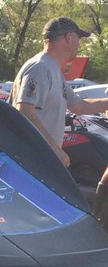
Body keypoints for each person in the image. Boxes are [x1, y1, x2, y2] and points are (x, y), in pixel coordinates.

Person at [10, 17, 108, 166]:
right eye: (78, 38)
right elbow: (24, 111)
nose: (79, 44)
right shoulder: (40, 68)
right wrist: (55, 150)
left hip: (41, 157)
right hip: (31, 159)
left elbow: (79, 106)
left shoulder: (53, 69)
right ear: (69, 38)